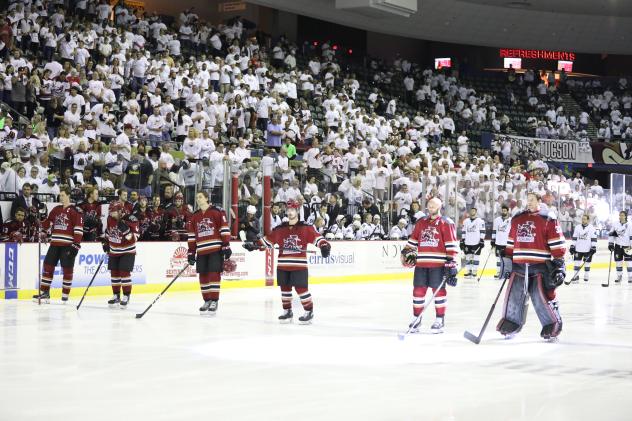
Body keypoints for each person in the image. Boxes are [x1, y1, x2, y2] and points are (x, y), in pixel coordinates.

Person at [243, 199, 331, 324]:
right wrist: (254, 245)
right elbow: (267, 241)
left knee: (301, 289)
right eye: (288, 210)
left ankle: (308, 311)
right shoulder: (280, 229)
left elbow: (318, 238)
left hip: (299, 266)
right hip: (283, 265)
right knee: (285, 289)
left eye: (292, 210)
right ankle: (287, 311)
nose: (290, 212)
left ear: (297, 211)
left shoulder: (305, 227)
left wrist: (324, 246)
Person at [497, 192, 566, 341]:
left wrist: (559, 264)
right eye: (527, 200)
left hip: (540, 266)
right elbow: (511, 242)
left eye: (532, 200)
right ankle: (511, 323)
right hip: (519, 265)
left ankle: (552, 325)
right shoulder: (517, 218)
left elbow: (557, 244)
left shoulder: (548, 218)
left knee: (542, 297)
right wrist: (507, 258)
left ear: (539, 201)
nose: (529, 202)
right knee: (514, 297)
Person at [400, 197, 458, 334]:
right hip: (421, 264)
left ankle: (439, 320)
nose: (430, 207)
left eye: (433, 205)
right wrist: (406, 252)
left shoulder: (446, 223)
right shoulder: (421, 222)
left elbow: (451, 245)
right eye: (429, 205)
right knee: (418, 292)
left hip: (438, 265)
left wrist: (451, 264)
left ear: (440, 206)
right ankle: (416, 319)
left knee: (438, 293)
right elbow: (413, 240)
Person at [33, 186, 84, 303]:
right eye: (59, 195)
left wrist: (76, 245)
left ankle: (65, 295)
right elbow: (47, 224)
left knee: (67, 270)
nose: (60, 197)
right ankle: (45, 293)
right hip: (55, 244)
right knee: (48, 267)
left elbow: (78, 229)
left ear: (68, 196)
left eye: (62, 195)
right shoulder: (56, 209)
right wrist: (41, 215)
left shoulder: (76, 211)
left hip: (67, 245)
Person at [186, 191, 232, 315]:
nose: (198, 199)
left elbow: (224, 228)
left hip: (215, 250)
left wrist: (226, 245)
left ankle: (214, 300)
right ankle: (206, 300)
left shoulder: (217, 212)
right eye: (196, 197)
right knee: (203, 276)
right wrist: (191, 252)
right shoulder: (194, 216)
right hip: (201, 250)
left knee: (214, 275)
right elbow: (192, 235)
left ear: (207, 198)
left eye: (200, 197)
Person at [101, 201, 139, 308]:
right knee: (114, 274)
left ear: (120, 211)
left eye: (114, 212)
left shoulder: (131, 219)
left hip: (127, 251)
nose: (112, 214)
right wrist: (106, 243)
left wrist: (126, 230)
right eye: (111, 212)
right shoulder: (110, 219)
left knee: (124, 273)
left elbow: (134, 239)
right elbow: (108, 232)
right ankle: (116, 295)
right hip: (114, 251)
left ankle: (126, 296)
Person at [569, 214, 597, 283]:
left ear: (588, 220)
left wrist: (593, 246)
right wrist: (572, 245)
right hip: (578, 248)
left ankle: (586, 275)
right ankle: (576, 276)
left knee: (587, 263)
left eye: (585, 219)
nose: (583, 220)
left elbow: (594, 238)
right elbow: (575, 237)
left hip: (587, 249)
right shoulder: (577, 227)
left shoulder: (592, 228)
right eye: (582, 219)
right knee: (576, 262)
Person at [460, 207, 486, 278]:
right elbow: (463, 231)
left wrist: (481, 240)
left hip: (476, 242)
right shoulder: (465, 221)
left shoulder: (480, 221)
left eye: (474, 211)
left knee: (476, 257)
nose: (472, 212)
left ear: (476, 212)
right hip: (467, 242)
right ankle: (468, 270)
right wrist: (462, 240)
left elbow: (483, 231)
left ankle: (474, 271)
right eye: (471, 211)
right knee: (468, 257)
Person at [608, 211, 632, 283]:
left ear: (625, 216)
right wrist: (611, 244)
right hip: (618, 246)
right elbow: (611, 234)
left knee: (628, 262)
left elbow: (631, 236)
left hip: (627, 246)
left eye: (622, 215)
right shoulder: (615, 224)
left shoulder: (630, 224)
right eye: (620, 215)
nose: (620, 217)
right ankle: (619, 276)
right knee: (618, 262)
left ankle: (630, 277)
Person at [491, 204, 512, 279]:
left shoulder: (511, 220)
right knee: (498, 258)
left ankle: (507, 272)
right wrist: (493, 240)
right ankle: (498, 272)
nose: (503, 212)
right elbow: (494, 231)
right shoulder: (497, 220)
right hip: (498, 242)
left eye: (505, 211)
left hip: (507, 243)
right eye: (502, 210)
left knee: (507, 259)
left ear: (507, 211)